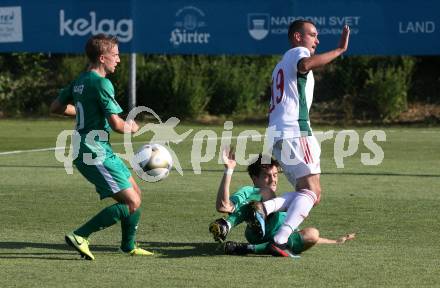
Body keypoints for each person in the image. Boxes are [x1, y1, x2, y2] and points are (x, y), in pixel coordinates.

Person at [247, 20, 351, 256]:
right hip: (296, 131)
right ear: (297, 37)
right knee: (311, 192)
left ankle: (265, 208)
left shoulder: (279, 66)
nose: (317, 40)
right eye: (313, 35)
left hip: (279, 133)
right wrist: (340, 50)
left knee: (309, 194)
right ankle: (280, 239)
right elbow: (306, 63)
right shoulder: (298, 53)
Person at [50, 34, 152, 260]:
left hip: (97, 148)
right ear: (102, 57)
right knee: (131, 202)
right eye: (115, 55)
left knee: (135, 193)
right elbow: (117, 124)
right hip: (92, 151)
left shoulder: (80, 80)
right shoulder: (102, 82)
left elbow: (55, 107)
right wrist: (133, 127)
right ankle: (80, 235)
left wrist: (82, 110)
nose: (118, 59)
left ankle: (128, 246)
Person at [209, 149, 355, 257]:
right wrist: (229, 170)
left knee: (313, 234)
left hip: (277, 239)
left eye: (275, 175)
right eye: (267, 176)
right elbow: (224, 206)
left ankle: (249, 248)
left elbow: (298, 234)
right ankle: (227, 225)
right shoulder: (250, 191)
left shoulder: (284, 202)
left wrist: (335, 241)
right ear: (254, 178)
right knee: (265, 193)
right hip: (257, 232)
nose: (273, 180)